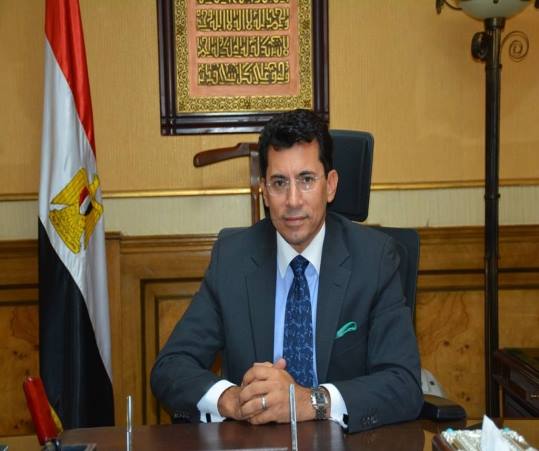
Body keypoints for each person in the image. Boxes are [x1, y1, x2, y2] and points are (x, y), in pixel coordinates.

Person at [150, 109, 423, 433]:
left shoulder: (374, 259)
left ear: (330, 185)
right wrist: (233, 400)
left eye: (306, 180)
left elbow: (404, 383)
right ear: (264, 190)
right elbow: (170, 368)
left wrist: (310, 401)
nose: (293, 200)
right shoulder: (233, 259)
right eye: (279, 183)